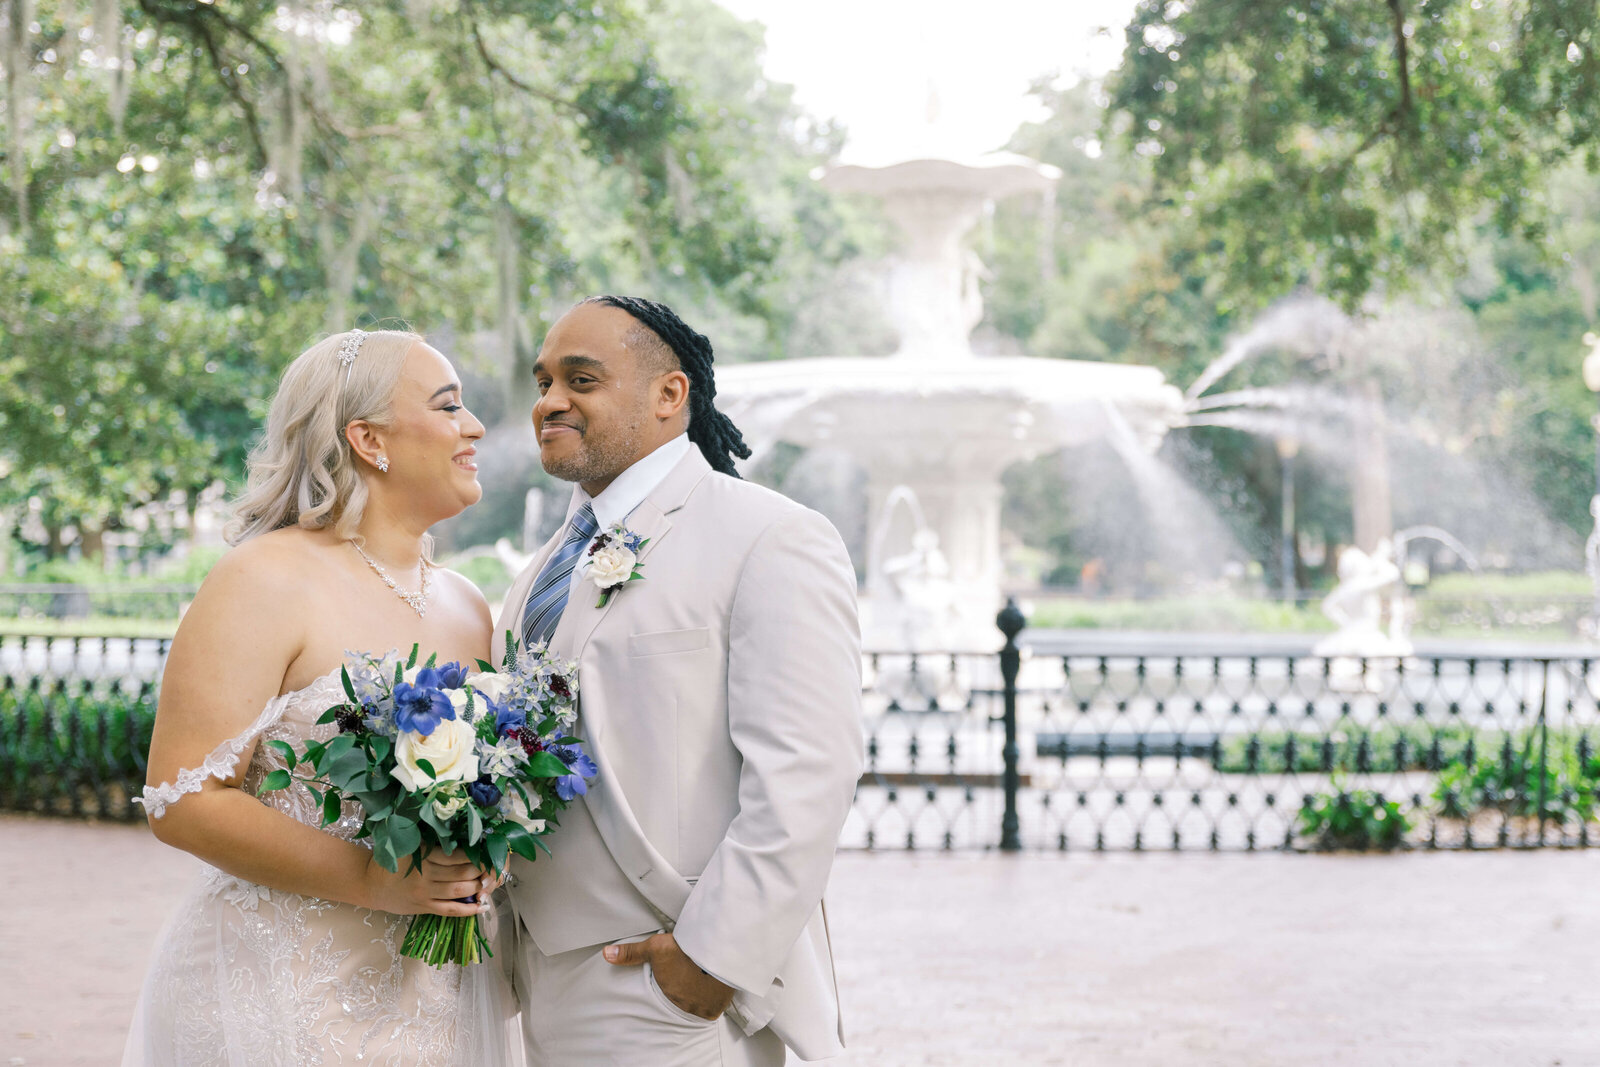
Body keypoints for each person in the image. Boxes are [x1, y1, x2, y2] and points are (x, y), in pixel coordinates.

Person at [123, 328, 516, 1066]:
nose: (475, 426)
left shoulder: (468, 604)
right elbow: (183, 797)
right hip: (277, 991)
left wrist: (477, 852)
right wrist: (375, 879)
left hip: (434, 998)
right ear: (369, 439)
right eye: (449, 405)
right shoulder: (264, 578)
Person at [494, 296, 865, 1065]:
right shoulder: (538, 571)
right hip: (540, 981)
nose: (549, 401)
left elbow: (807, 773)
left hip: (671, 987)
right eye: (542, 381)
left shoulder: (768, 536)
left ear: (670, 395)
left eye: (581, 379)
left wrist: (710, 960)